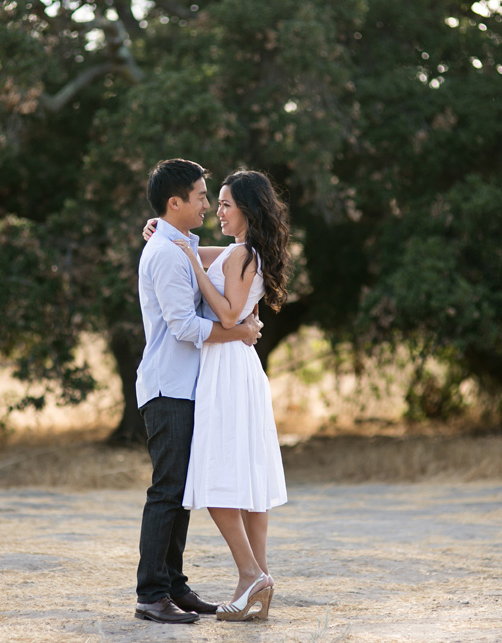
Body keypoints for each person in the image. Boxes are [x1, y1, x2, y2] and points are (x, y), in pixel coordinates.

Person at [145, 169, 291, 622]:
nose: (215, 209)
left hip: (226, 370)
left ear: (246, 209)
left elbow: (227, 315)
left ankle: (253, 576)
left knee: (217, 473)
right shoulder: (242, 251)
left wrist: (191, 265)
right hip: (235, 369)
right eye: (212, 200)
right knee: (246, 474)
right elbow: (195, 250)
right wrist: (160, 233)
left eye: (225, 203)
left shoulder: (241, 253)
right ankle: (257, 577)